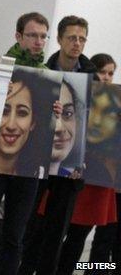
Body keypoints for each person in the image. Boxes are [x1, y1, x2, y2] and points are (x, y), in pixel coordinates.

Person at [0, 60, 58, 274]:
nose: (12, 124)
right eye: (4, 110)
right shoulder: (1, 68)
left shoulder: (34, 166)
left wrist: (56, 114)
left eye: (23, 112)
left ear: (34, 122)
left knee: (14, 237)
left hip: (26, 179)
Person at [19, 15, 97, 275]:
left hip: (70, 162)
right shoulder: (43, 69)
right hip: (37, 157)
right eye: (72, 38)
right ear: (61, 39)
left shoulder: (93, 78)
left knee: (57, 229)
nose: (77, 43)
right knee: (29, 225)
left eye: (82, 39)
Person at [56, 54, 118, 275]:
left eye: (111, 73)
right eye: (103, 71)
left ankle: (87, 270)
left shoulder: (114, 103)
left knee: (92, 236)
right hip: (76, 174)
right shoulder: (78, 98)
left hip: (104, 180)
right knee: (63, 232)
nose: (107, 77)